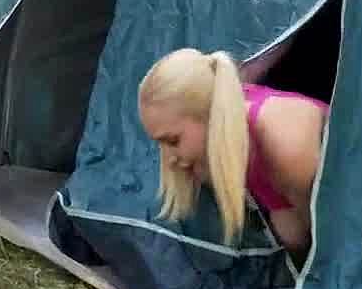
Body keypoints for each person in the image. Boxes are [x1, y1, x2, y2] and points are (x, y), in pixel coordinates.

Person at [137, 47, 329, 262]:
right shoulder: (223, 142)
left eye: (173, 141)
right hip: (286, 198)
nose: (168, 158)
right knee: (290, 235)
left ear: (209, 115)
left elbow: (329, 237)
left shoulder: (285, 141)